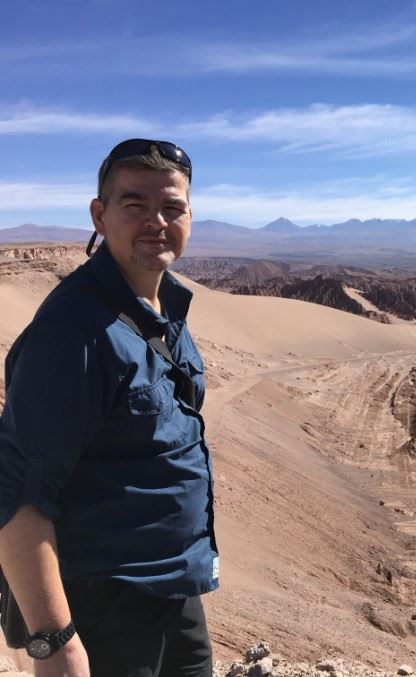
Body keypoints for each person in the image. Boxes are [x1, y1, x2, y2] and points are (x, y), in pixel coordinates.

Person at [0, 139, 218, 676]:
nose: (156, 221)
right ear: (99, 214)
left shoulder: (160, 307)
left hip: (173, 590)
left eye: (172, 207)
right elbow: (16, 493)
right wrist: (54, 642)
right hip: (105, 605)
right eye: (135, 205)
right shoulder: (75, 332)